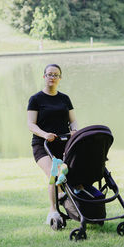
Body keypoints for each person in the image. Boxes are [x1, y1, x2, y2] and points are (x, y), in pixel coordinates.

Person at [27, 63, 78, 224]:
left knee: (73, 173)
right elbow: (31, 124)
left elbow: (73, 121)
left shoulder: (64, 98)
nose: (52, 77)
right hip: (43, 145)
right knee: (53, 174)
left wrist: (75, 131)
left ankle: (70, 199)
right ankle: (53, 210)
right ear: (44, 77)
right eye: (49, 74)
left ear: (60, 78)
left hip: (64, 143)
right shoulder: (35, 99)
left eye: (56, 75)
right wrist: (44, 134)